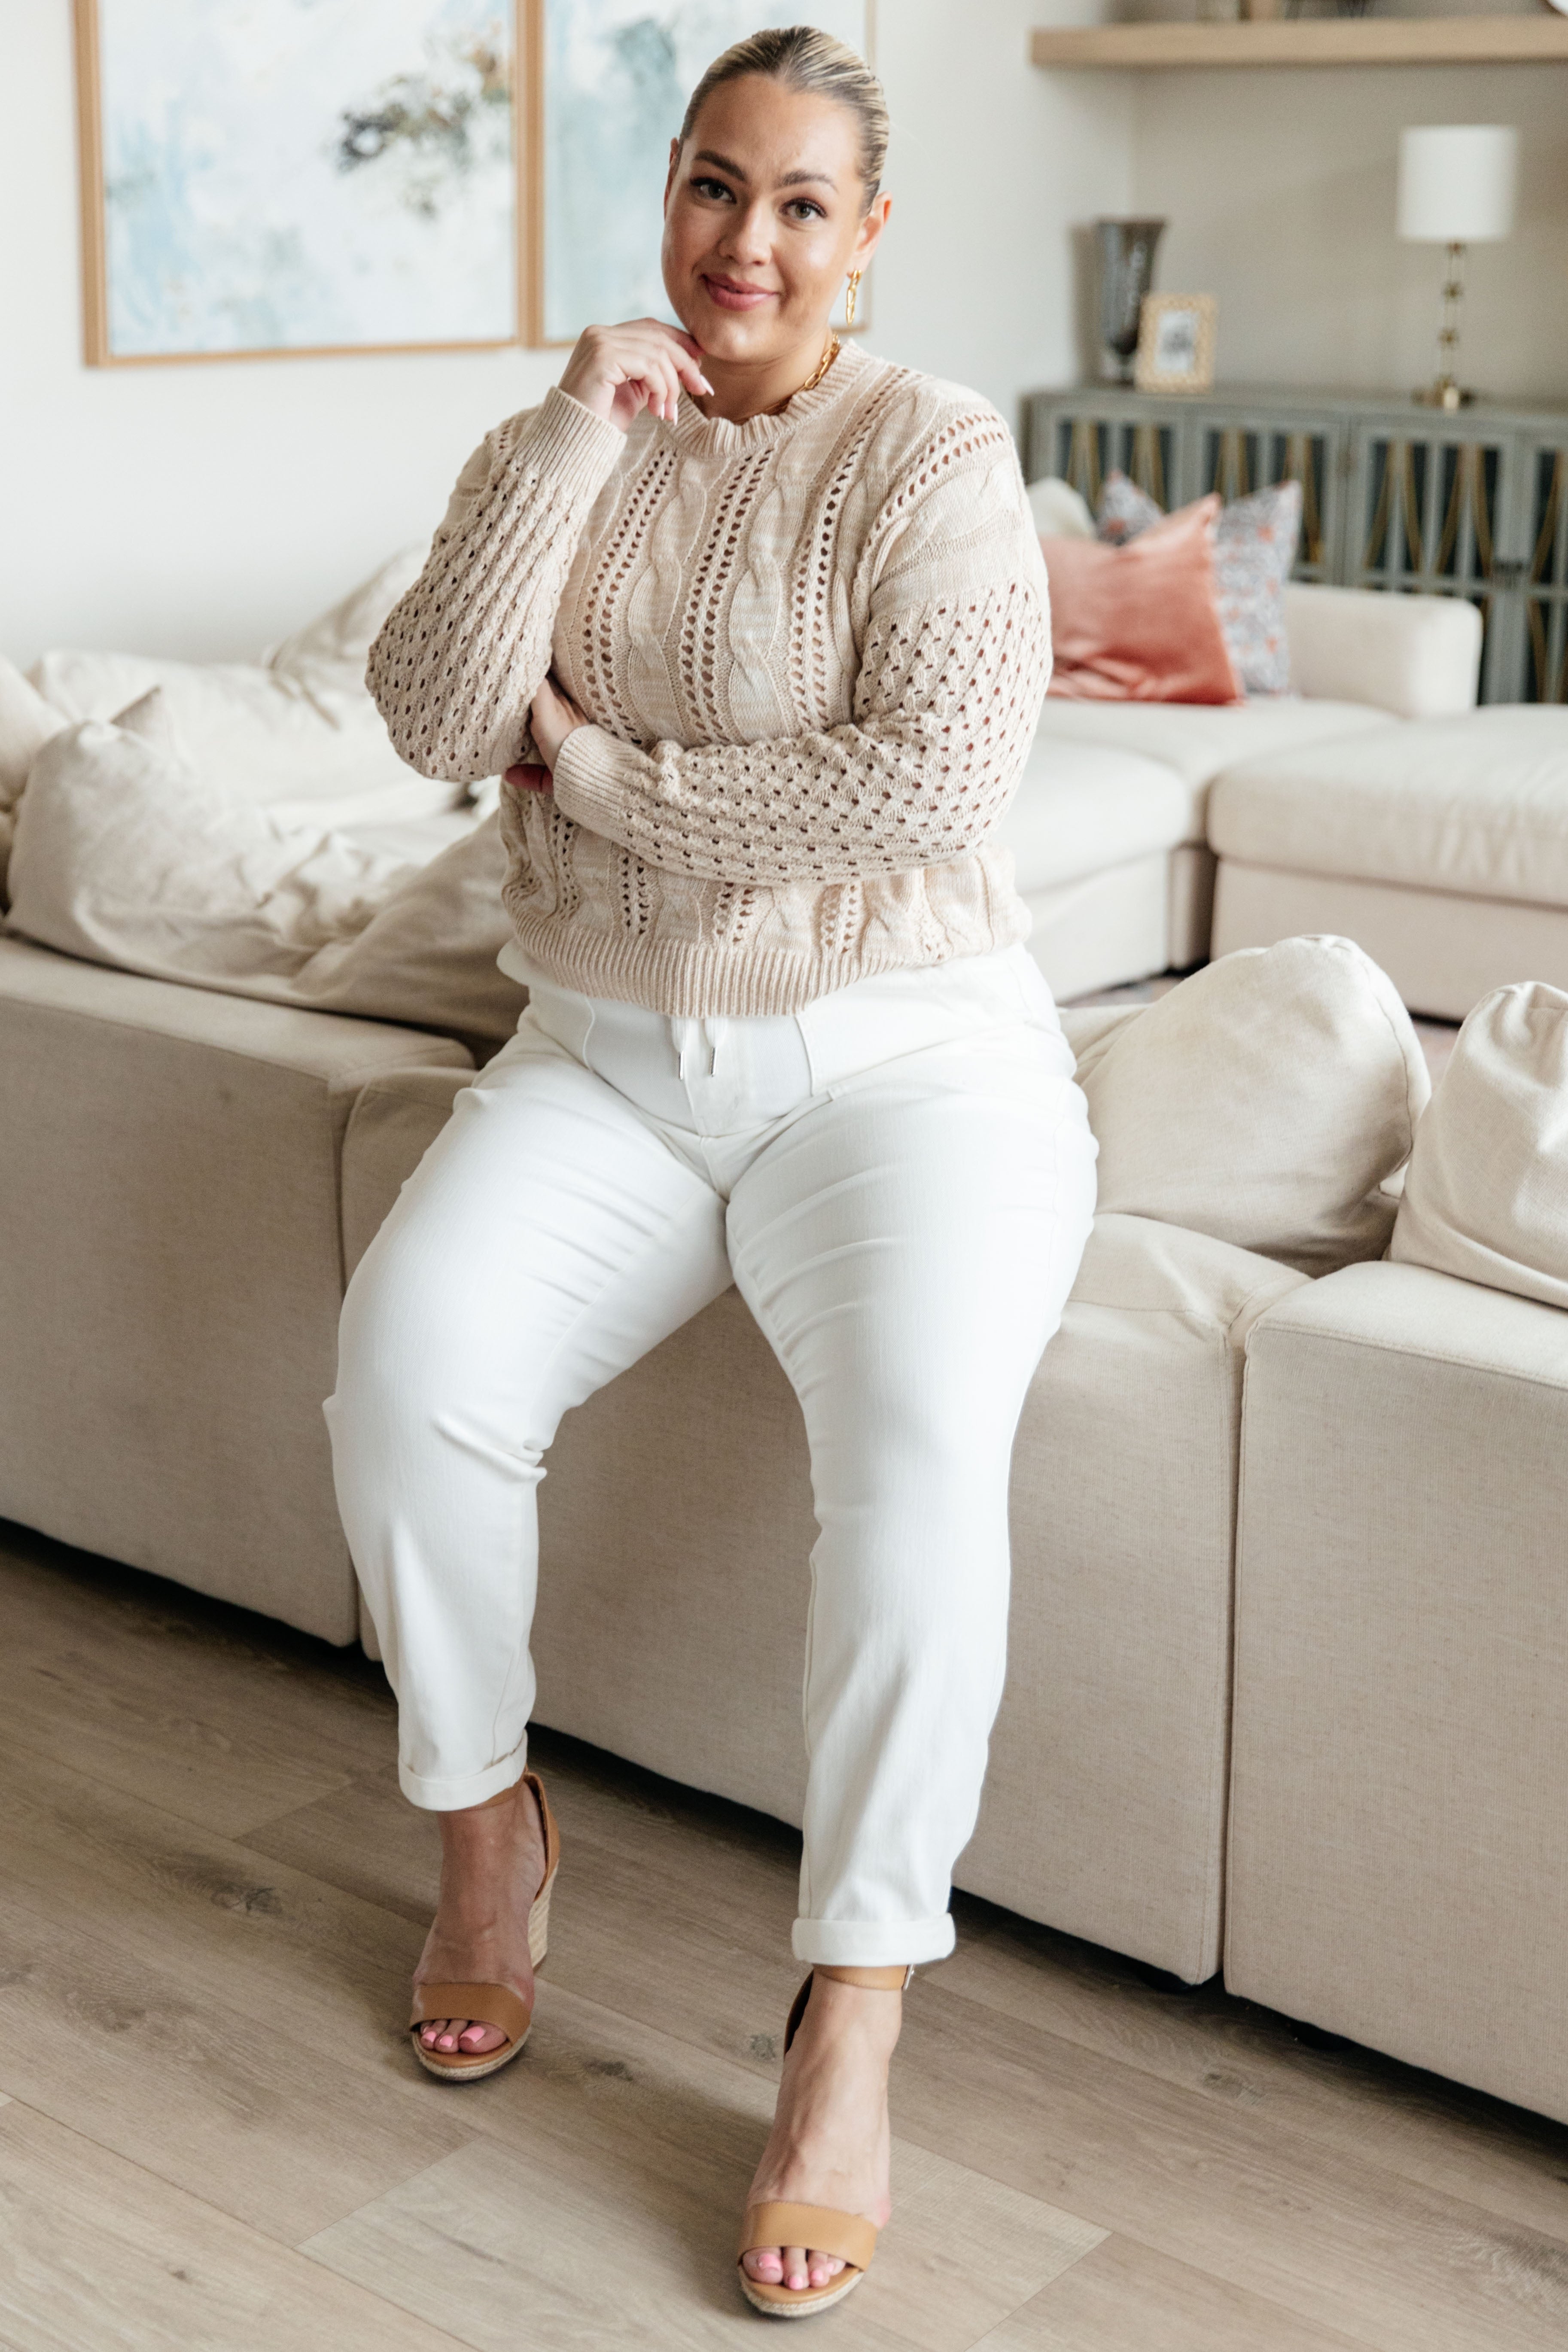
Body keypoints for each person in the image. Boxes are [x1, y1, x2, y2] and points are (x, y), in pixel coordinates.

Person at [328, 23, 1096, 2321]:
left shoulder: (930, 450)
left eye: (793, 202)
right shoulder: (578, 434)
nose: (740, 240)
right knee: (406, 1375)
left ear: (864, 239)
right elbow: (431, 712)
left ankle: (849, 2008)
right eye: (705, 185)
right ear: (663, 202)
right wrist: (572, 436)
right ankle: (486, 1837)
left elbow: (925, 788)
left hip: (906, 1069)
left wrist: (605, 768)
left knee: (917, 1463)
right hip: (609, 1053)